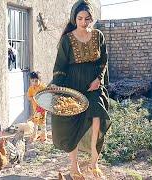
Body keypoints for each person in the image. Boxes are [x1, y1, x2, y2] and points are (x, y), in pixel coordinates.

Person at [50, 0, 111, 179]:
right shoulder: (67, 39)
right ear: (74, 19)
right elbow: (60, 66)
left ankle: (94, 162)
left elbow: (103, 61)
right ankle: (74, 167)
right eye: (80, 18)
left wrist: (99, 79)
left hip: (93, 85)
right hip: (73, 85)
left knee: (97, 117)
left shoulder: (98, 35)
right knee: (73, 125)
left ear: (91, 18)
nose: (84, 22)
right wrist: (58, 87)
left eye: (87, 18)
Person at [27, 71, 48, 142]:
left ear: (40, 80)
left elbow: (47, 96)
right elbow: (29, 97)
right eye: (32, 81)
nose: (34, 83)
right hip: (35, 109)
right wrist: (32, 98)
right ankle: (35, 134)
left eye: (36, 81)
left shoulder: (43, 87)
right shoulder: (31, 89)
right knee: (35, 122)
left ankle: (44, 136)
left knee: (42, 123)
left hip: (42, 108)